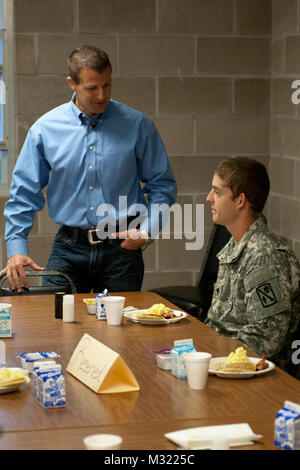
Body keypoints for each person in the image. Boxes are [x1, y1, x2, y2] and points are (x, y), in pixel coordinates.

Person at [1, 45, 177, 293]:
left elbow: (162, 185)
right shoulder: (45, 130)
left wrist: (147, 232)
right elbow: (23, 195)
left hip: (121, 250)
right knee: (55, 325)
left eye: (107, 85)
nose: (102, 95)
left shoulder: (138, 125)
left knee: (121, 331)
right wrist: (16, 250)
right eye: (92, 88)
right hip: (69, 249)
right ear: (72, 83)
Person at [205, 157, 300, 372]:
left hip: (252, 375)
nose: (209, 198)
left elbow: (265, 340)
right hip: (222, 360)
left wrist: (212, 359)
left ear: (240, 201)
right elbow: (217, 322)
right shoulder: (236, 245)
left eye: (217, 192)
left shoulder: (265, 256)